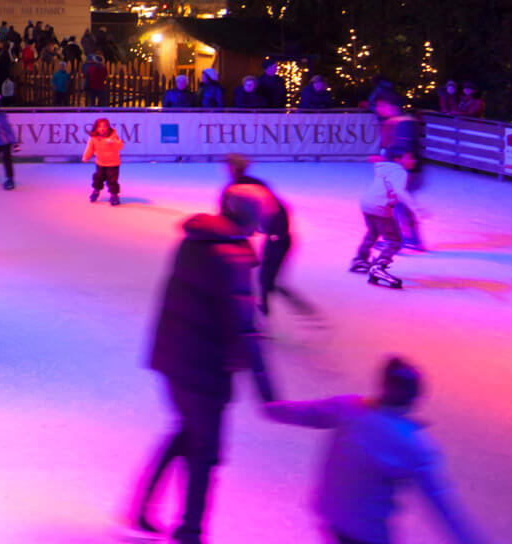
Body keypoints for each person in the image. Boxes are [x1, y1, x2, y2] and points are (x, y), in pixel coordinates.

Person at [127, 184, 278, 544]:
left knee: (187, 432)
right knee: (205, 450)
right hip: (204, 367)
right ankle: (190, 531)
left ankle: (144, 506)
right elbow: (244, 327)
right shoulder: (231, 257)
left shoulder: (195, 240)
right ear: (251, 215)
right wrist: (267, 391)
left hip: (172, 356)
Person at [259, 357, 489, 544]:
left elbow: (304, 412)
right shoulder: (413, 444)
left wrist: (272, 409)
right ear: (415, 398)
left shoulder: (348, 408)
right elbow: (441, 503)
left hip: (332, 516)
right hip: (368, 532)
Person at [229, 154, 314, 318]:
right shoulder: (253, 184)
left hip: (278, 238)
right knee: (265, 281)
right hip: (277, 236)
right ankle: (263, 313)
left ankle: (300, 312)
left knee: (268, 282)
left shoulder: (242, 188)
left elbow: (270, 211)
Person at [372, 98, 427, 251]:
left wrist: (388, 157)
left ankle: (404, 239)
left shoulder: (404, 123)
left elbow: (405, 148)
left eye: (381, 105)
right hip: (402, 170)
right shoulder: (397, 122)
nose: (378, 109)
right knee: (398, 205)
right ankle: (412, 240)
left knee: (397, 205)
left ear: (392, 106)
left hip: (406, 171)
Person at [354, 159, 413, 288]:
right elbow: (400, 192)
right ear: (400, 158)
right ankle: (379, 267)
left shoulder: (384, 169)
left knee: (373, 231)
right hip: (379, 207)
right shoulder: (400, 172)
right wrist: (417, 209)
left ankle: (360, 259)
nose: (413, 161)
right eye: (410, 157)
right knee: (394, 240)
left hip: (366, 204)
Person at [85, 117, 124, 205]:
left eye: (105, 127)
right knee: (98, 178)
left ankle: (114, 195)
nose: (102, 129)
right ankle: (96, 191)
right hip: (100, 163)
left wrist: (113, 142)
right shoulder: (93, 138)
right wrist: (86, 156)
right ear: (96, 128)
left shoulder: (113, 136)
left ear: (108, 128)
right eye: (100, 127)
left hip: (113, 164)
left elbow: (120, 146)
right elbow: (90, 148)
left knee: (112, 181)